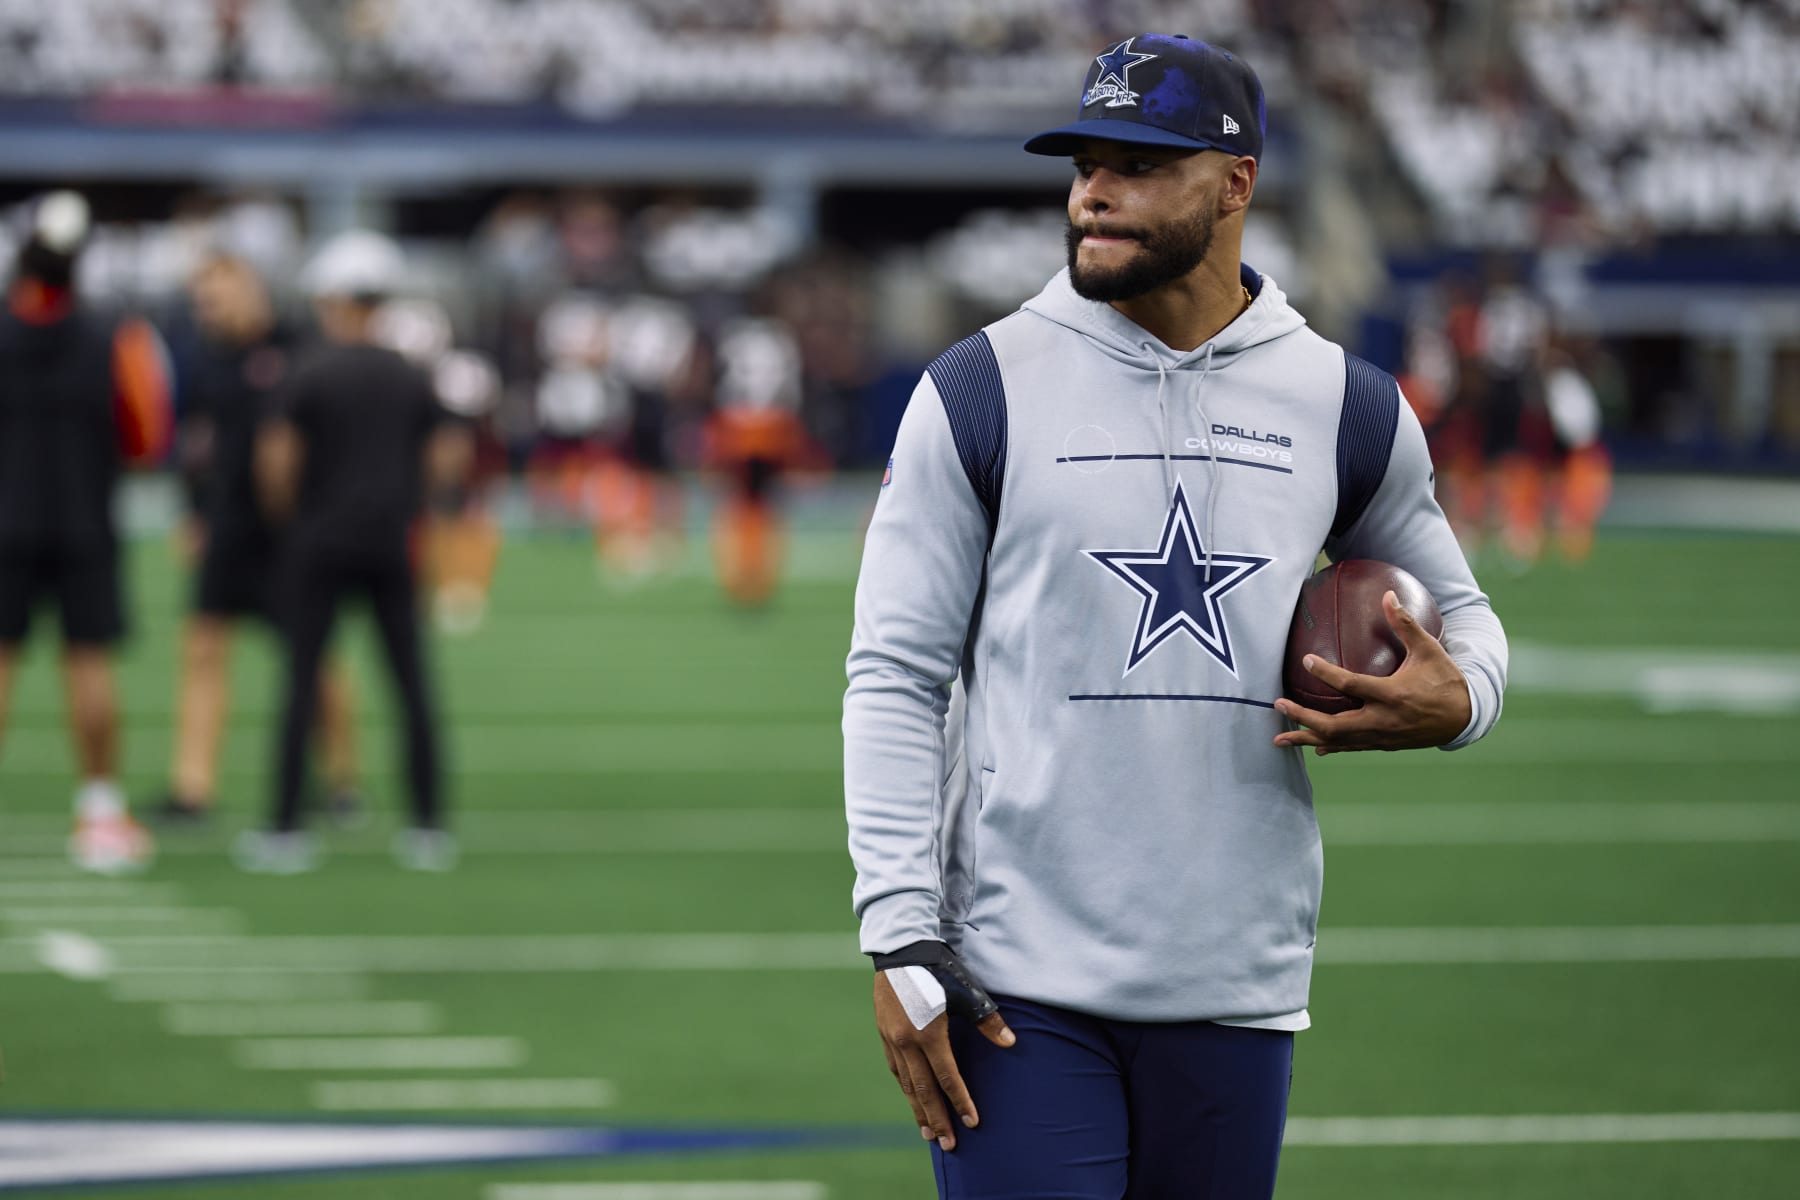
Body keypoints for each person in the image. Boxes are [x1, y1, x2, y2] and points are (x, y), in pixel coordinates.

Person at [843, 35, 1509, 1199]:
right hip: (1018, 988)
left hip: (1236, 985)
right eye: (1084, 163)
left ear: (1235, 184)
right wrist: (901, 931)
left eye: (1139, 165)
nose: (1092, 192)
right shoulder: (979, 387)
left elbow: (1466, 618)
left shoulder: (1345, 405)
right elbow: (895, 673)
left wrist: (1463, 700)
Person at [239, 230, 471, 874]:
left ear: (338, 300)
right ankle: (428, 827)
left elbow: (276, 461)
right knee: (411, 685)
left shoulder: (308, 370)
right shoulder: (409, 373)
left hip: (319, 540)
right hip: (391, 540)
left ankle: (285, 828)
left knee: (302, 681)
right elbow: (447, 454)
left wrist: (295, 519)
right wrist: (407, 502)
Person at [158, 249, 363, 826]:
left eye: (219, 297)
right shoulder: (202, 356)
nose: (210, 310)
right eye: (203, 301)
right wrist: (193, 511)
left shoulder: (298, 347)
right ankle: (191, 788)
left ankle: (342, 781)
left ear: (253, 291)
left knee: (314, 656)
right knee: (202, 649)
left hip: (290, 531)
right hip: (228, 527)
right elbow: (196, 445)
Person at [0, 191, 172, 873]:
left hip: (4, 523)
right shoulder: (117, 341)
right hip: (84, 523)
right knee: (90, 664)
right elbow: (147, 439)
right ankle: (100, 811)